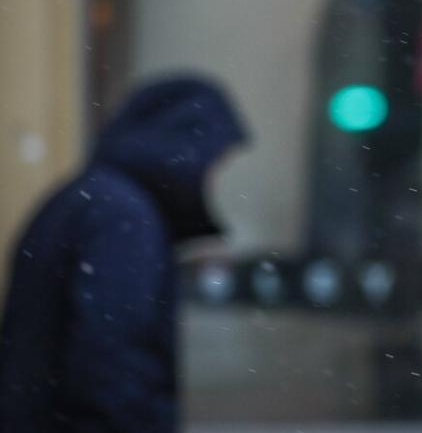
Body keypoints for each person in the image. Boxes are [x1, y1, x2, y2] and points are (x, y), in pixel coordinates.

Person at [0, 76, 248, 432]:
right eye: (214, 163)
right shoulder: (122, 216)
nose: (213, 179)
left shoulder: (92, 199)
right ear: (185, 150)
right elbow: (111, 361)